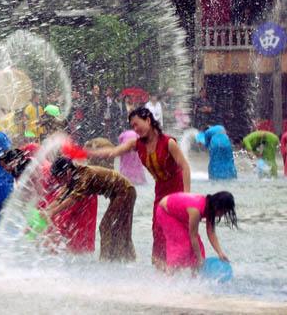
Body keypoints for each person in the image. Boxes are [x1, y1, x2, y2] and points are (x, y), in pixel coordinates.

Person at [88, 107, 191, 269]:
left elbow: (185, 167)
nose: (136, 129)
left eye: (137, 124)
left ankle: (187, 263)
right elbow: (114, 152)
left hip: (177, 190)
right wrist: (91, 153)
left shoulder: (169, 143)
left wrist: (187, 197)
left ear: (148, 121)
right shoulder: (136, 144)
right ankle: (161, 268)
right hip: (161, 192)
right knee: (157, 229)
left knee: (179, 228)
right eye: (133, 126)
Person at [44, 158, 136, 262]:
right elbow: (59, 198)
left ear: (68, 171)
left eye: (60, 177)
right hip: (118, 193)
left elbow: (72, 199)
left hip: (125, 191)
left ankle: (106, 261)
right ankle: (124, 258)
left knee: (106, 226)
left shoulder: (84, 176)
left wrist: (53, 212)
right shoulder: (72, 177)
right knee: (118, 229)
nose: (59, 181)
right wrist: (46, 211)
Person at [156, 191, 237, 272]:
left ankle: (195, 276)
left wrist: (220, 252)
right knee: (182, 245)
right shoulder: (196, 211)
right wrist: (199, 259)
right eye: (223, 212)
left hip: (179, 213)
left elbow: (211, 232)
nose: (222, 215)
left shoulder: (210, 207)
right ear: (218, 207)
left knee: (199, 249)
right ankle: (169, 275)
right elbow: (193, 236)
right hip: (165, 212)